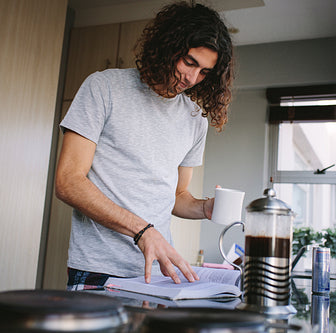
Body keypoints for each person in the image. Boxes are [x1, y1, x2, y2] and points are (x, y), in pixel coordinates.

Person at [55, 1, 234, 290]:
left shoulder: (194, 120)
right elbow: (68, 181)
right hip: (99, 271)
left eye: (204, 72)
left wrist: (204, 208)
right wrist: (142, 231)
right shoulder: (104, 87)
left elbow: (177, 196)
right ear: (168, 46)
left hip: (159, 272)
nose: (192, 78)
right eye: (189, 62)